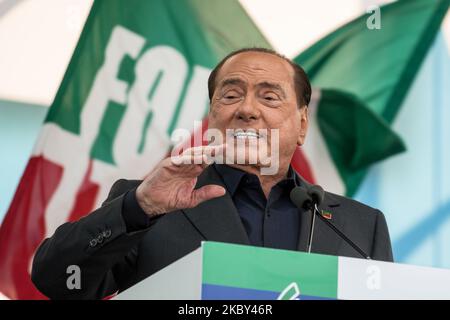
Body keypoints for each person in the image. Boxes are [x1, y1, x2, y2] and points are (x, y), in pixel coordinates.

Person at [31, 48, 393, 300]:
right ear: (211, 115)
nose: (247, 109)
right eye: (231, 95)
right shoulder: (150, 205)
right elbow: (59, 282)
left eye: (269, 98)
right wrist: (137, 207)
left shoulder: (361, 227)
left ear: (301, 125)